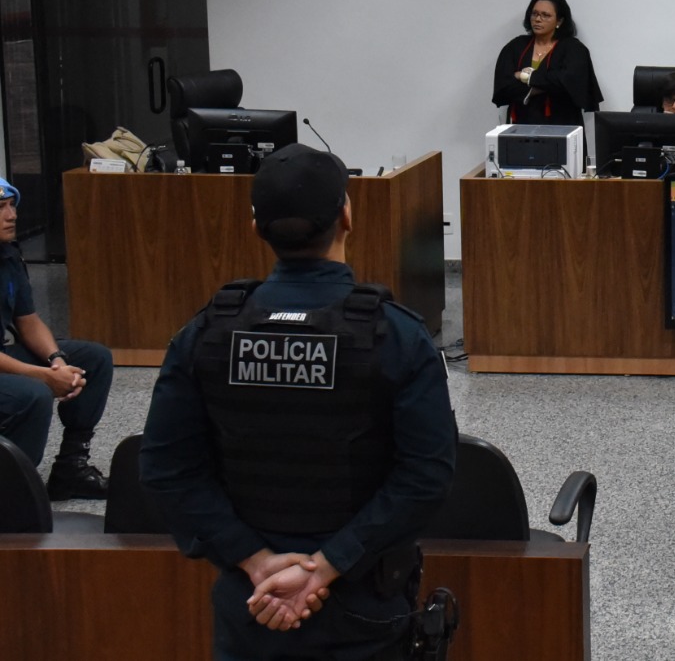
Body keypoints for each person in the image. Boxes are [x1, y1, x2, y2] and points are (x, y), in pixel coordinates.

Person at [141, 145, 456, 661]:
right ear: (346, 216)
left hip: (252, 603)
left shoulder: (206, 333)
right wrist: (328, 564)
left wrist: (256, 560)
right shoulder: (396, 335)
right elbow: (426, 475)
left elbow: (166, 469)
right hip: (364, 601)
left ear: (255, 226)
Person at [0, 176, 113, 498]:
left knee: (94, 358)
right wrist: (41, 377)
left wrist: (56, 362)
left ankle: (70, 469)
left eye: (12, 205)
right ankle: (14, 493)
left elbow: (28, 320)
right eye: (1, 208)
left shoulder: (7, 254)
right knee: (31, 394)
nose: (12, 215)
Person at [491, 0, 603, 127]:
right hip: (521, 123)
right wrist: (545, 84)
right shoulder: (516, 46)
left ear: (559, 21)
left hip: (563, 124)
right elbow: (503, 86)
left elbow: (568, 83)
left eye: (546, 15)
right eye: (535, 14)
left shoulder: (574, 48)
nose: (538, 19)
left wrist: (524, 76)